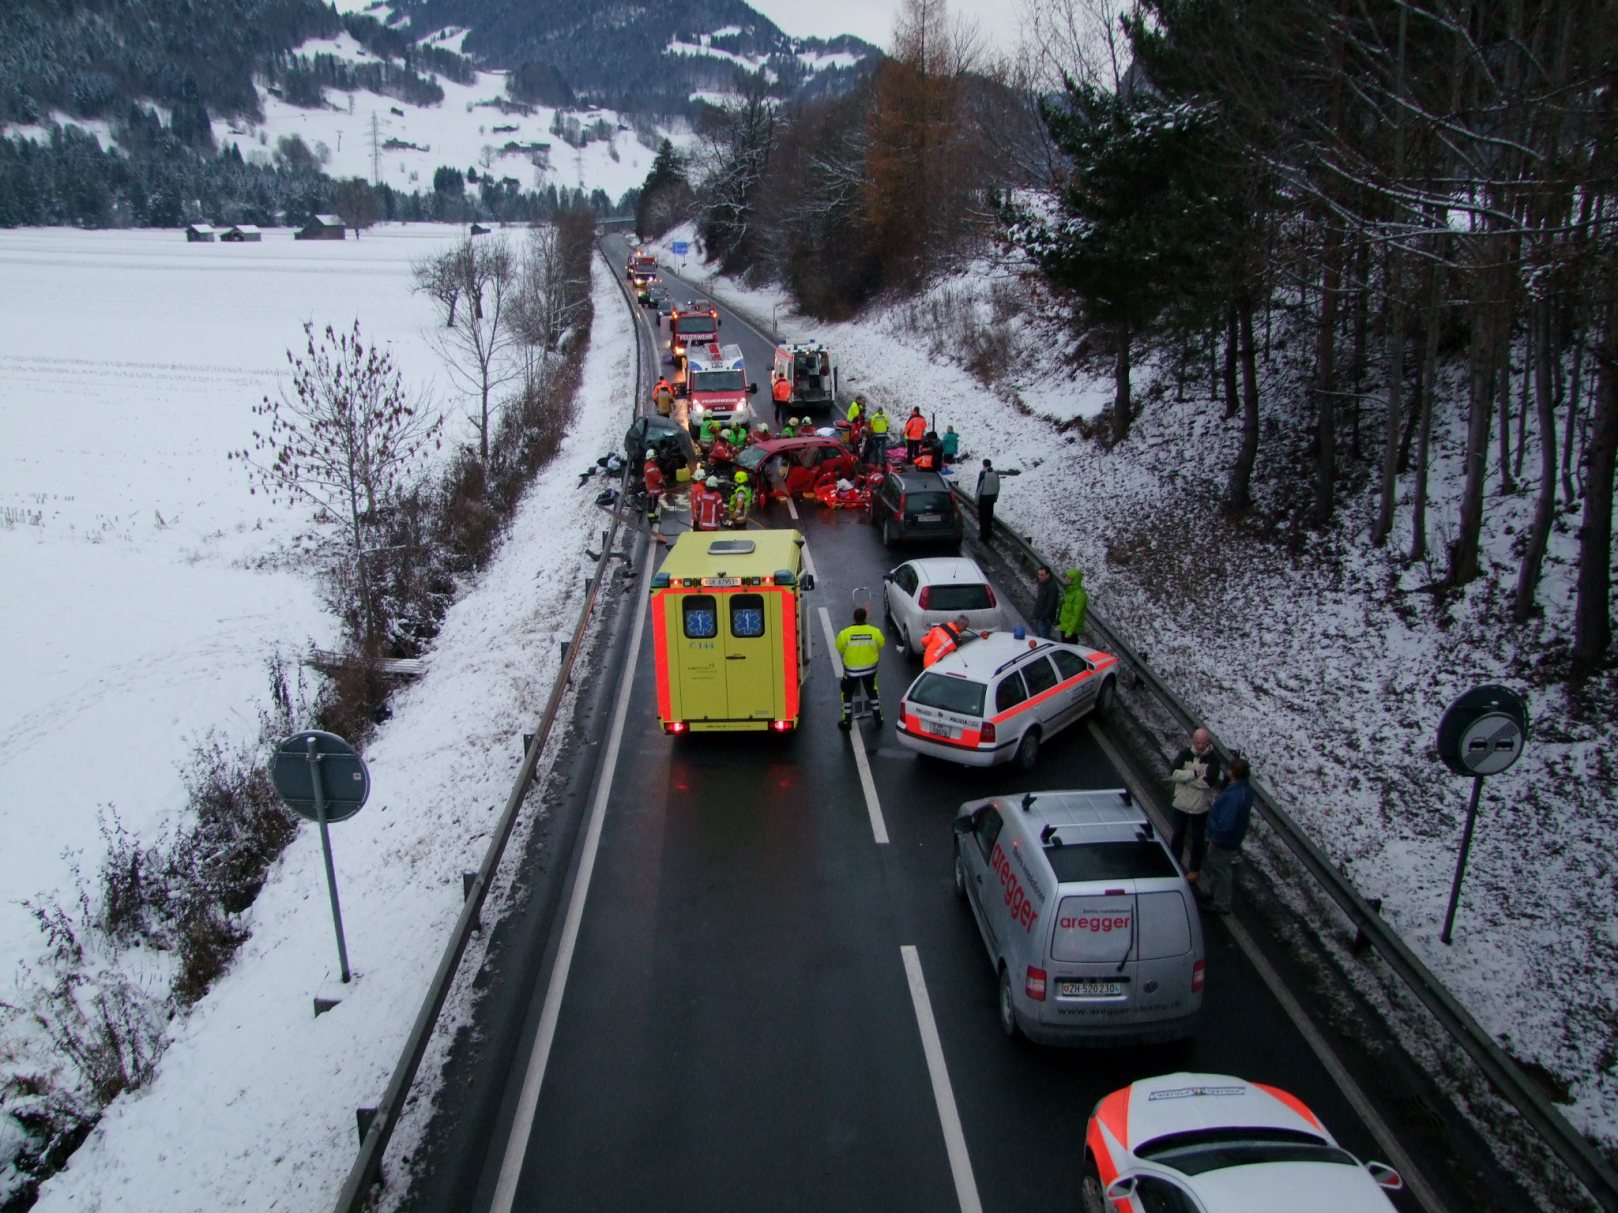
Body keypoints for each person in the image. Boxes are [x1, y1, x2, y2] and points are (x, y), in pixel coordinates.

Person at [1200, 756, 1253, 914]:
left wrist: (1215, 836)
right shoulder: (1245, 790)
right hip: (1230, 838)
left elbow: (1226, 823)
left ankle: (1221, 903)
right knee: (1217, 867)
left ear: (1233, 773)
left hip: (1222, 841)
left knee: (1220, 869)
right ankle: (1214, 894)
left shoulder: (1233, 796)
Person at [1168, 728, 1223, 881]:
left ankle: (1194, 868)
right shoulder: (1185, 754)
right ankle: (1174, 863)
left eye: (1203, 743)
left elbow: (1208, 783)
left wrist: (1185, 779)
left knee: (1198, 840)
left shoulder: (1213, 760)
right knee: (1177, 835)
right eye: (1197, 742)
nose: (1199, 746)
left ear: (1208, 742)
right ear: (1193, 740)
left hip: (1199, 808)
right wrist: (1194, 774)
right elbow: (1173, 774)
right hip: (1181, 804)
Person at [835, 606, 885, 729]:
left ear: (854, 618)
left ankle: (847, 721)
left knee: (847, 695)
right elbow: (881, 644)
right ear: (865, 617)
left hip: (851, 672)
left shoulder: (845, 633)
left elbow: (839, 648)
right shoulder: (875, 632)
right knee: (872, 692)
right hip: (870, 670)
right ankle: (878, 718)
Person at [642, 451, 668, 543]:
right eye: (654, 457)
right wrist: (662, 482)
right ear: (650, 457)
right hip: (653, 488)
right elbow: (656, 477)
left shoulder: (651, 465)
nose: (655, 458)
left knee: (654, 502)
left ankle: (652, 516)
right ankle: (651, 518)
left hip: (655, 488)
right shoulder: (649, 466)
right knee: (652, 503)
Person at [1058, 569, 1089, 641]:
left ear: (1074, 580)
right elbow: (1065, 610)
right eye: (1066, 577)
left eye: (1069, 578)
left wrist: (1069, 631)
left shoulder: (1079, 595)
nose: (1066, 579)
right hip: (1066, 627)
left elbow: (1076, 615)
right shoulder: (1070, 591)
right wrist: (1061, 625)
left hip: (1071, 631)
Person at [1030, 565, 1060, 640]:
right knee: (1039, 638)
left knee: (1044, 639)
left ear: (1048, 575)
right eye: (1039, 574)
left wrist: (1043, 617)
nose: (1040, 577)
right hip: (1039, 617)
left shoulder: (1052, 587)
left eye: (1042, 575)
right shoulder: (1042, 583)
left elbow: (1051, 605)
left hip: (1045, 619)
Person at [975, 459, 1000, 542]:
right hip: (992, 498)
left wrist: (976, 500)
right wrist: (995, 497)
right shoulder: (995, 474)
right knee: (989, 516)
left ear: (984, 465)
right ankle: (989, 533)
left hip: (983, 498)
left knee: (983, 517)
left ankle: (983, 536)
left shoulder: (983, 474)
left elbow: (980, 488)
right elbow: (997, 487)